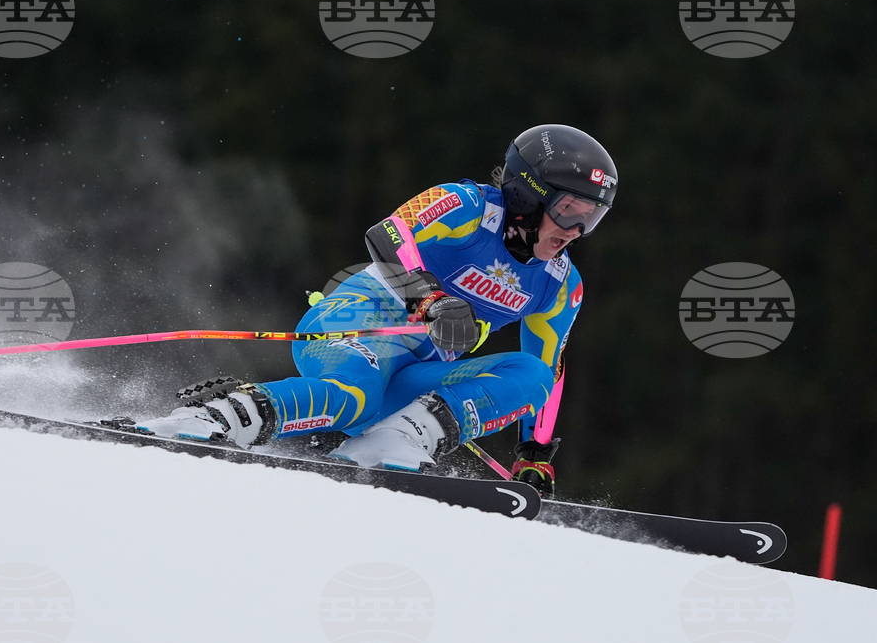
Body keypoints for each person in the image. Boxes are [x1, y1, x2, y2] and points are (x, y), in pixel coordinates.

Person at [139, 124, 618, 497]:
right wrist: (429, 300)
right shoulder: (468, 206)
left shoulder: (559, 284)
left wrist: (534, 453)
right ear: (528, 194)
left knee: (531, 374)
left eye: (591, 219)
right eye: (570, 211)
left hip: (412, 378)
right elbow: (386, 235)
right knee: (356, 394)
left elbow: (549, 369)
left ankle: (395, 439)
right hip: (357, 321)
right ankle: (214, 419)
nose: (576, 230)